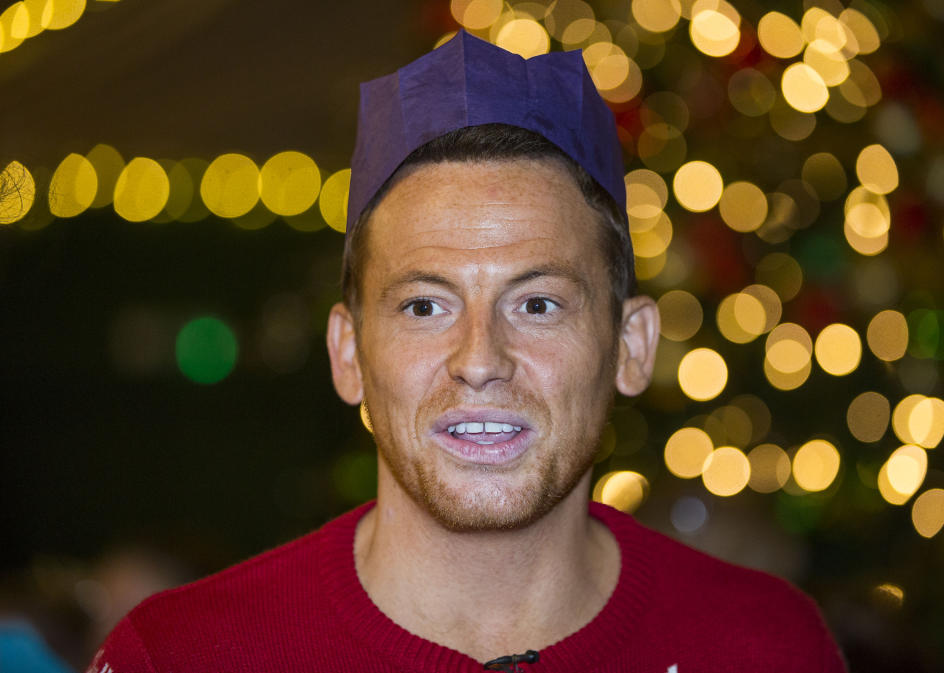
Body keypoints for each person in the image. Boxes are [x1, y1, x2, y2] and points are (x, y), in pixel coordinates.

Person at [86, 31, 846, 672]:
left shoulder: (765, 647)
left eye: (538, 303)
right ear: (348, 352)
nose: (480, 358)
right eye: (425, 305)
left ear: (631, 345)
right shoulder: (182, 655)